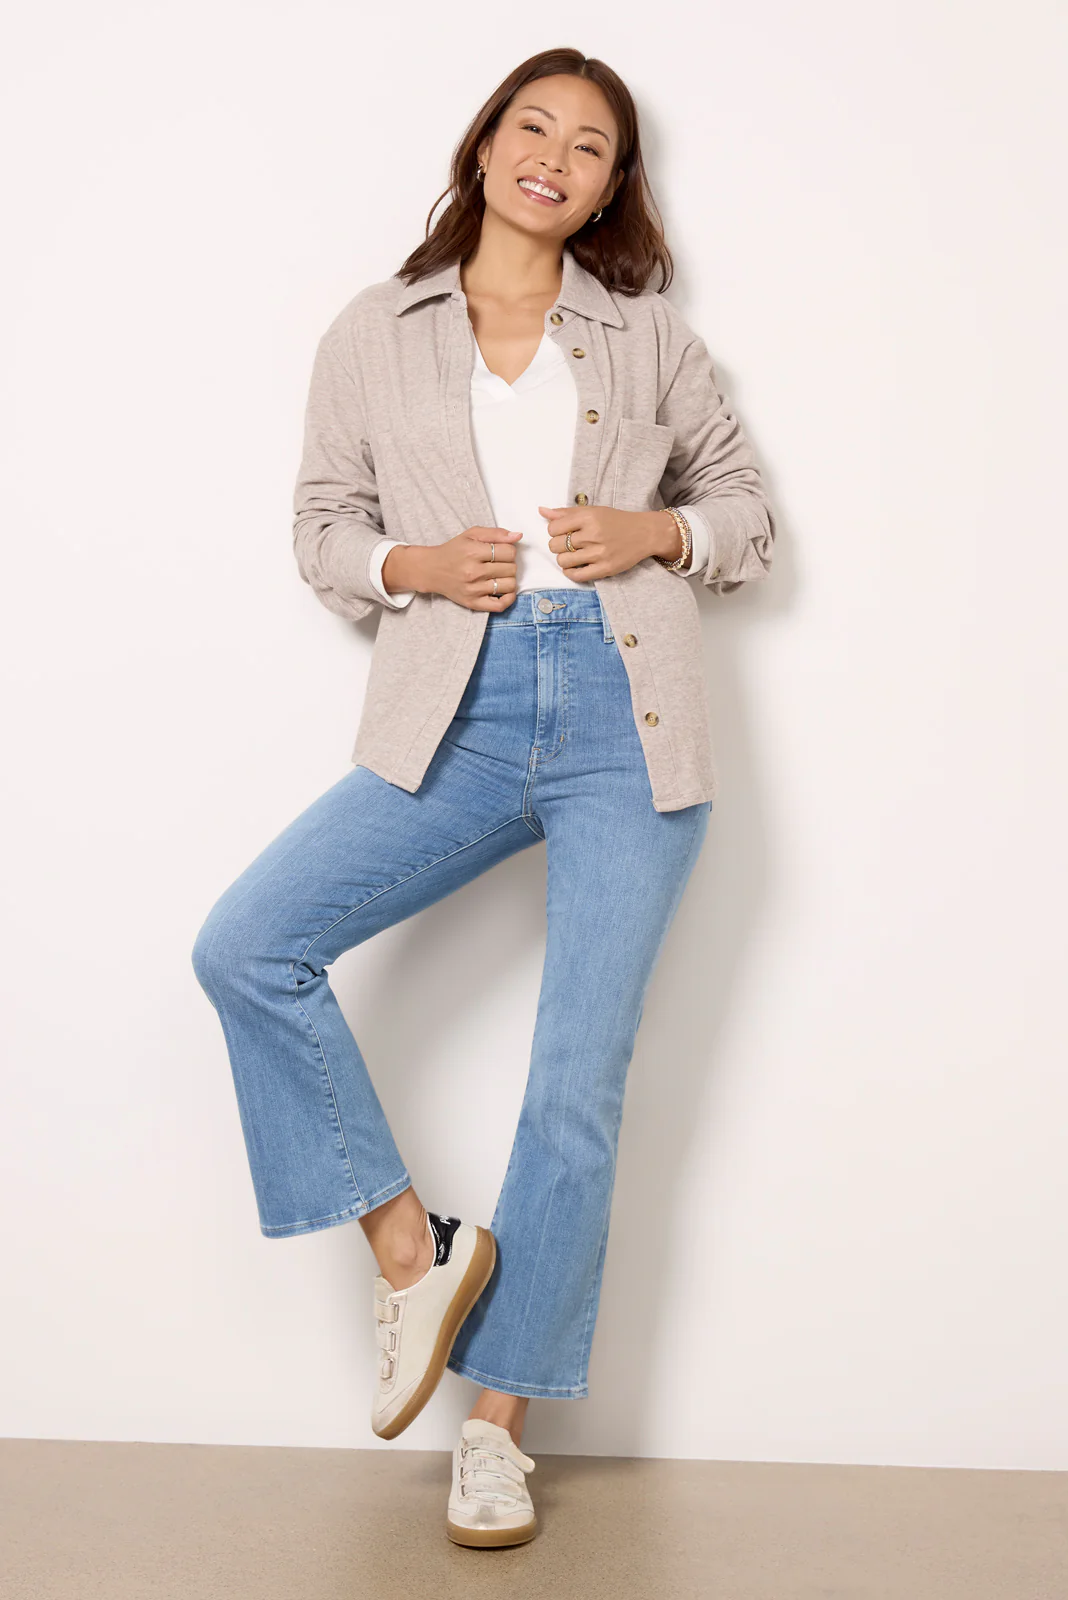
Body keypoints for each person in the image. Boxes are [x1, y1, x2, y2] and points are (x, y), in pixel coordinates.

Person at [191, 47, 775, 1549]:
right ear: (485, 144)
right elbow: (323, 527)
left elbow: (747, 516)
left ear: (610, 187)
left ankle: (498, 1434)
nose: (553, 159)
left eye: (589, 148)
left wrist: (653, 533)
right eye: (534, 127)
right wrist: (415, 564)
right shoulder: (376, 330)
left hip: (629, 722)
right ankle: (416, 1250)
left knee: (574, 1081)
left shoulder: (646, 337)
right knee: (249, 945)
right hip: (455, 704)